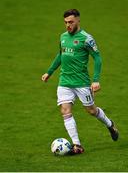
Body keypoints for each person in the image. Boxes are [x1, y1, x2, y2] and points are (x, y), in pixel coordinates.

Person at [42, 9, 119, 155]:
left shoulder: (87, 38)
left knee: (91, 111)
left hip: (82, 83)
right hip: (64, 81)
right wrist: (49, 72)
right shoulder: (63, 36)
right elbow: (61, 54)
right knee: (65, 111)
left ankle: (110, 125)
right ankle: (77, 145)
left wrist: (96, 80)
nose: (67, 25)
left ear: (78, 20)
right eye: (65, 22)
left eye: (70, 22)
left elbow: (97, 58)